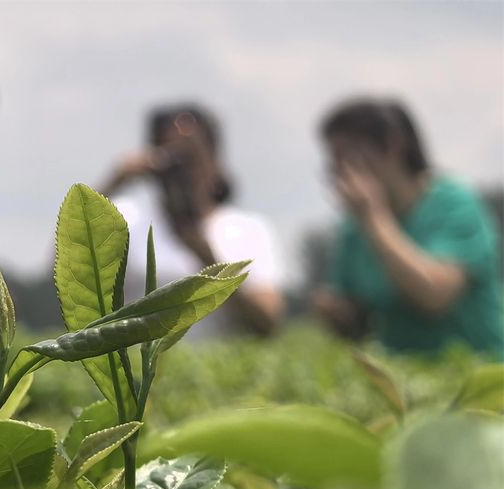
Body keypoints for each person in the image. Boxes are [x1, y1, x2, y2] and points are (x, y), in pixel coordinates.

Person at [313, 97, 504, 359]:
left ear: (392, 145)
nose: (337, 172)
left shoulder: (453, 203)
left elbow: (435, 295)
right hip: (408, 382)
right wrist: (337, 313)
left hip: (478, 380)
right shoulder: (354, 227)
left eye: (346, 156)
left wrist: (374, 219)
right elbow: (354, 315)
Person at [100, 104, 286, 338]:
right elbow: (66, 267)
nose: (183, 170)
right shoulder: (125, 218)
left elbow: (267, 322)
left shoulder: (248, 230)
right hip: (138, 369)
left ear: (215, 160)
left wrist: (206, 257)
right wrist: (115, 181)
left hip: (216, 369)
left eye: (190, 157)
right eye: (171, 158)